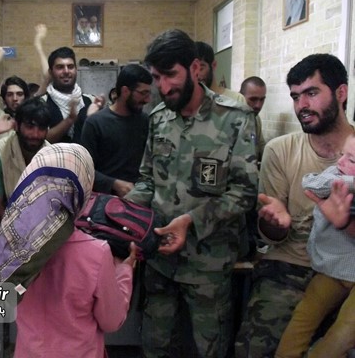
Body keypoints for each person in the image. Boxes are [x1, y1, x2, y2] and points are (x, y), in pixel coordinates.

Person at [125, 29, 257, 357]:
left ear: (195, 68)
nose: (163, 87)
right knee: (154, 345)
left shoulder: (234, 119)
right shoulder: (158, 118)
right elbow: (147, 181)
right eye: (157, 77)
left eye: (170, 74)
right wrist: (121, 215)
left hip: (208, 264)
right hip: (159, 259)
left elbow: (244, 192)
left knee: (209, 348)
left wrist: (190, 221)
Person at [234, 53, 354, 358]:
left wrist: (344, 223)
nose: (302, 105)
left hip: (350, 268)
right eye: (295, 96)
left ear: (341, 93)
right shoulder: (280, 151)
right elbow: (271, 236)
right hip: (292, 266)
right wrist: (274, 223)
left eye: (311, 93)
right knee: (254, 347)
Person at [0, 143, 136, 358]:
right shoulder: (97, 253)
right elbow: (111, 321)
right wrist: (125, 271)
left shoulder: (12, 245)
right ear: (83, 186)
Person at [275, 135, 355, 358]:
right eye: (343, 155)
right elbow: (312, 184)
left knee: (344, 333)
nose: (340, 162)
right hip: (334, 269)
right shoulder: (336, 175)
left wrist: (345, 222)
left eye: (351, 160)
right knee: (303, 318)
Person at [80, 64, 152, 197]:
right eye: (143, 93)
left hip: (137, 198)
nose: (147, 99)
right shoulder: (95, 123)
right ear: (125, 91)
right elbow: (84, 169)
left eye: (149, 93)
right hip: (103, 200)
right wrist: (114, 184)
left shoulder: (145, 121)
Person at [0, 97, 51, 225]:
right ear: (16, 126)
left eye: (41, 128)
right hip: (5, 224)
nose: (35, 135)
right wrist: (21, 232)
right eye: (29, 127)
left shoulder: (53, 156)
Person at [0, 24, 49, 130]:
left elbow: (47, 78)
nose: (15, 99)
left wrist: (38, 45)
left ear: (26, 96)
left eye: (19, 94)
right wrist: (0, 53)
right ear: (4, 98)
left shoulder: (35, 117)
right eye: (10, 94)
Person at [42, 46, 103, 143]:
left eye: (70, 67)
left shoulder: (90, 101)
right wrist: (70, 120)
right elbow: (41, 140)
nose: (66, 71)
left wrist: (101, 116)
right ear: (51, 72)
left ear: (76, 70)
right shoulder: (41, 103)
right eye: (60, 67)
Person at [240, 76, 267, 162]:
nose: (258, 105)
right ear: (240, 96)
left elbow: (261, 145)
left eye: (262, 100)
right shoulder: (229, 118)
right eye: (253, 99)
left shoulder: (256, 118)